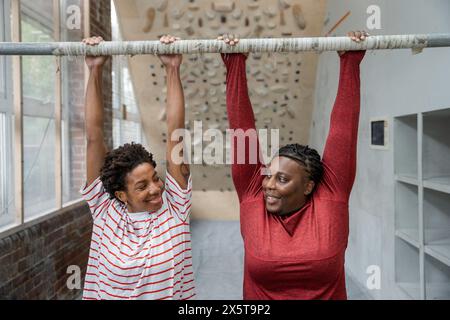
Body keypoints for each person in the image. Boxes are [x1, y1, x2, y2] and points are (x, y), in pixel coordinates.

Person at [219, 31, 368, 299]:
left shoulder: (330, 198)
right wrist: (234, 64)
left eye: (282, 179)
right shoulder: (253, 197)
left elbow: (344, 131)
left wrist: (350, 63)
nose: (268, 186)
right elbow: (241, 130)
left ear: (309, 186)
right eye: (268, 176)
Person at [80, 35, 195, 300]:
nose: (157, 189)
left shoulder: (175, 206)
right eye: (142, 186)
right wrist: (94, 68)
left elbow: (175, 133)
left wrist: (172, 68)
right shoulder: (105, 210)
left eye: (155, 178)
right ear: (121, 194)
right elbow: (93, 136)